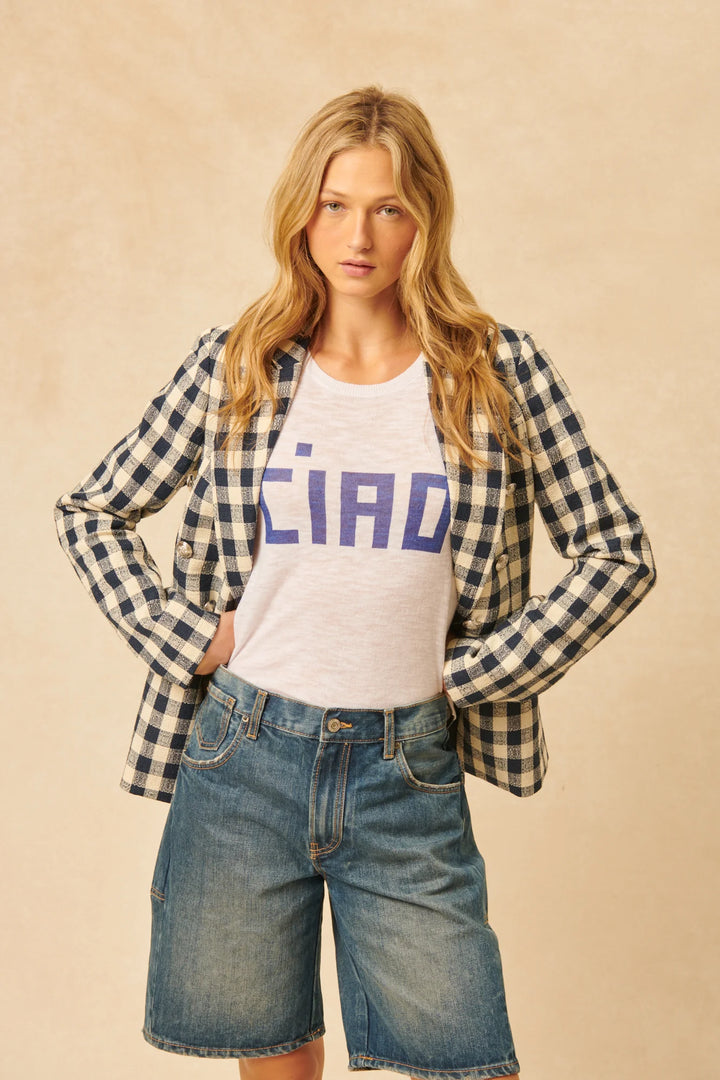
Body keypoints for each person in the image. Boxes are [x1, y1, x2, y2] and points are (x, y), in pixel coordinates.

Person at [54, 85, 656, 1080]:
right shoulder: (239, 366)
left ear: (426, 219)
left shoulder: (496, 372)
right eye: (335, 204)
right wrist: (189, 639)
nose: (359, 235)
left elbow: (617, 551)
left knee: (466, 1057)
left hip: (405, 764)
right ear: (303, 213)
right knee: (274, 1059)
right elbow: (93, 512)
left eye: (388, 207)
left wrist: (475, 673)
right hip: (243, 756)